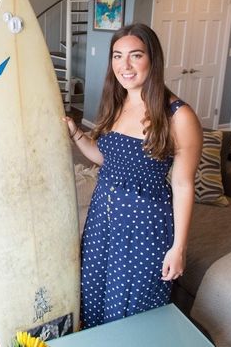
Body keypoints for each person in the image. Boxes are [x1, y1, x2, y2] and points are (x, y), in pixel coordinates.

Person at [64, 23, 202, 328]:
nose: (124, 66)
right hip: (103, 221)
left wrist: (178, 248)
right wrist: (76, 133)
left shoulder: (178, 116)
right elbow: (106, 159)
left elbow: (182, 186)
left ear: (152, 61)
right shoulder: (117, 102)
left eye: (135, 56)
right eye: (117, 56)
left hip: (144, 228)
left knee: (132, 308)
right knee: (94, 296)